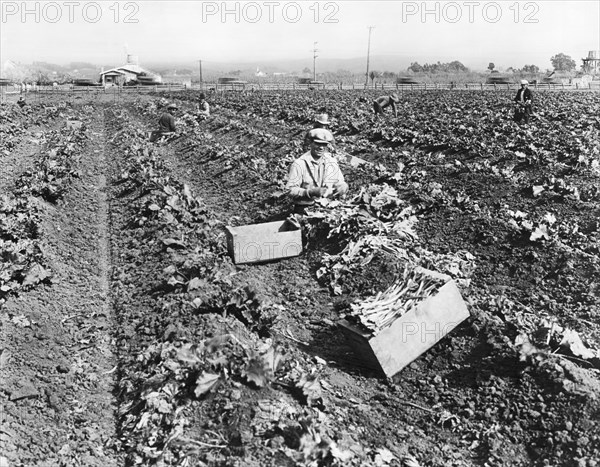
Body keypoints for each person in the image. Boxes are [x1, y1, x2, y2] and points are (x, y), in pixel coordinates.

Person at [286, 128, 348, 215]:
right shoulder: (299, 164)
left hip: (327, 208)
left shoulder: (332, 162)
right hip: (304, 209)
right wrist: (309, 192)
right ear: (311, 143)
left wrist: (343, 187)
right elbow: (290, 190)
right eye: (317, 143)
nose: (321, 147)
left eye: (324, 144)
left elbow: (339, 182)